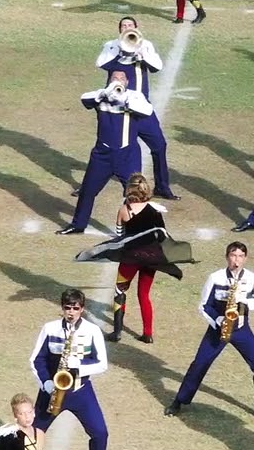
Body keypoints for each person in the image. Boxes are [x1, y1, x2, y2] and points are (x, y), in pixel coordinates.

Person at [75, 173, 194, 344]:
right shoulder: (155, 210)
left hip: (131, 258)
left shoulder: (124, 210)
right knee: (144, 295)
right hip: (151, 259)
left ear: (129, 190)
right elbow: (161, 235)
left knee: (120, 291)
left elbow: (120, 236)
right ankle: (148, 334)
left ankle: (117, 332)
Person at [30, 289, 110, 450]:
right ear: (62, 308)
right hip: (52, 390)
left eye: (75, 308)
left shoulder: (92, 331)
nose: (71, 312)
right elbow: (36, 359)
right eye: (67, 308)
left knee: (100, 432)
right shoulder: (50, 329)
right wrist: (46, 383)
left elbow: (102, 364)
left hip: (80, 391)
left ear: (82, 309)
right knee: (34, 432)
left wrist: (78, 365)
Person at [165, 242, 254, 421]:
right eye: (233, 255)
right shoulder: (216, 278)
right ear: (227, 257)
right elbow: (204, 305)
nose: (236, 260)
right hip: (218, 329)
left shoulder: (251, 278)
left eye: (240, 256)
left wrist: (242, 299)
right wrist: (219, 320)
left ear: (245, 258)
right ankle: (179, 401)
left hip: (241, 328)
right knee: (199, 364)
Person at [56, 72, 152, 235]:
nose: (118, 81)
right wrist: (105, 93)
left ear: (127, 82)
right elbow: (85, 99)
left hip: (127, 154)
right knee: (87, 190)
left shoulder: (135, 96)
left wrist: (124, 99)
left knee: (135, 192)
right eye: (115, 78)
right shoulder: (101, 95)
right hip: (102, 155)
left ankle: (136, 228)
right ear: (109, 80)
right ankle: (78, 224)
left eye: (121, 78)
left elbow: (147, 110)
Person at [96, 18, 177, 200]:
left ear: (136, 28)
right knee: (105, 147)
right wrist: (120, 50)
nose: (127, 28)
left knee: (159, 145)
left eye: (130, 26)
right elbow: (101, 63)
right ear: (119, 29)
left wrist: (141, 53)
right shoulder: (111, 45)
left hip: (141, 108)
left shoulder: (145, 45)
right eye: (124, 26)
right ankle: (90, 184)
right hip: (118, 110)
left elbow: (157, 66)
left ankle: (162, 186)